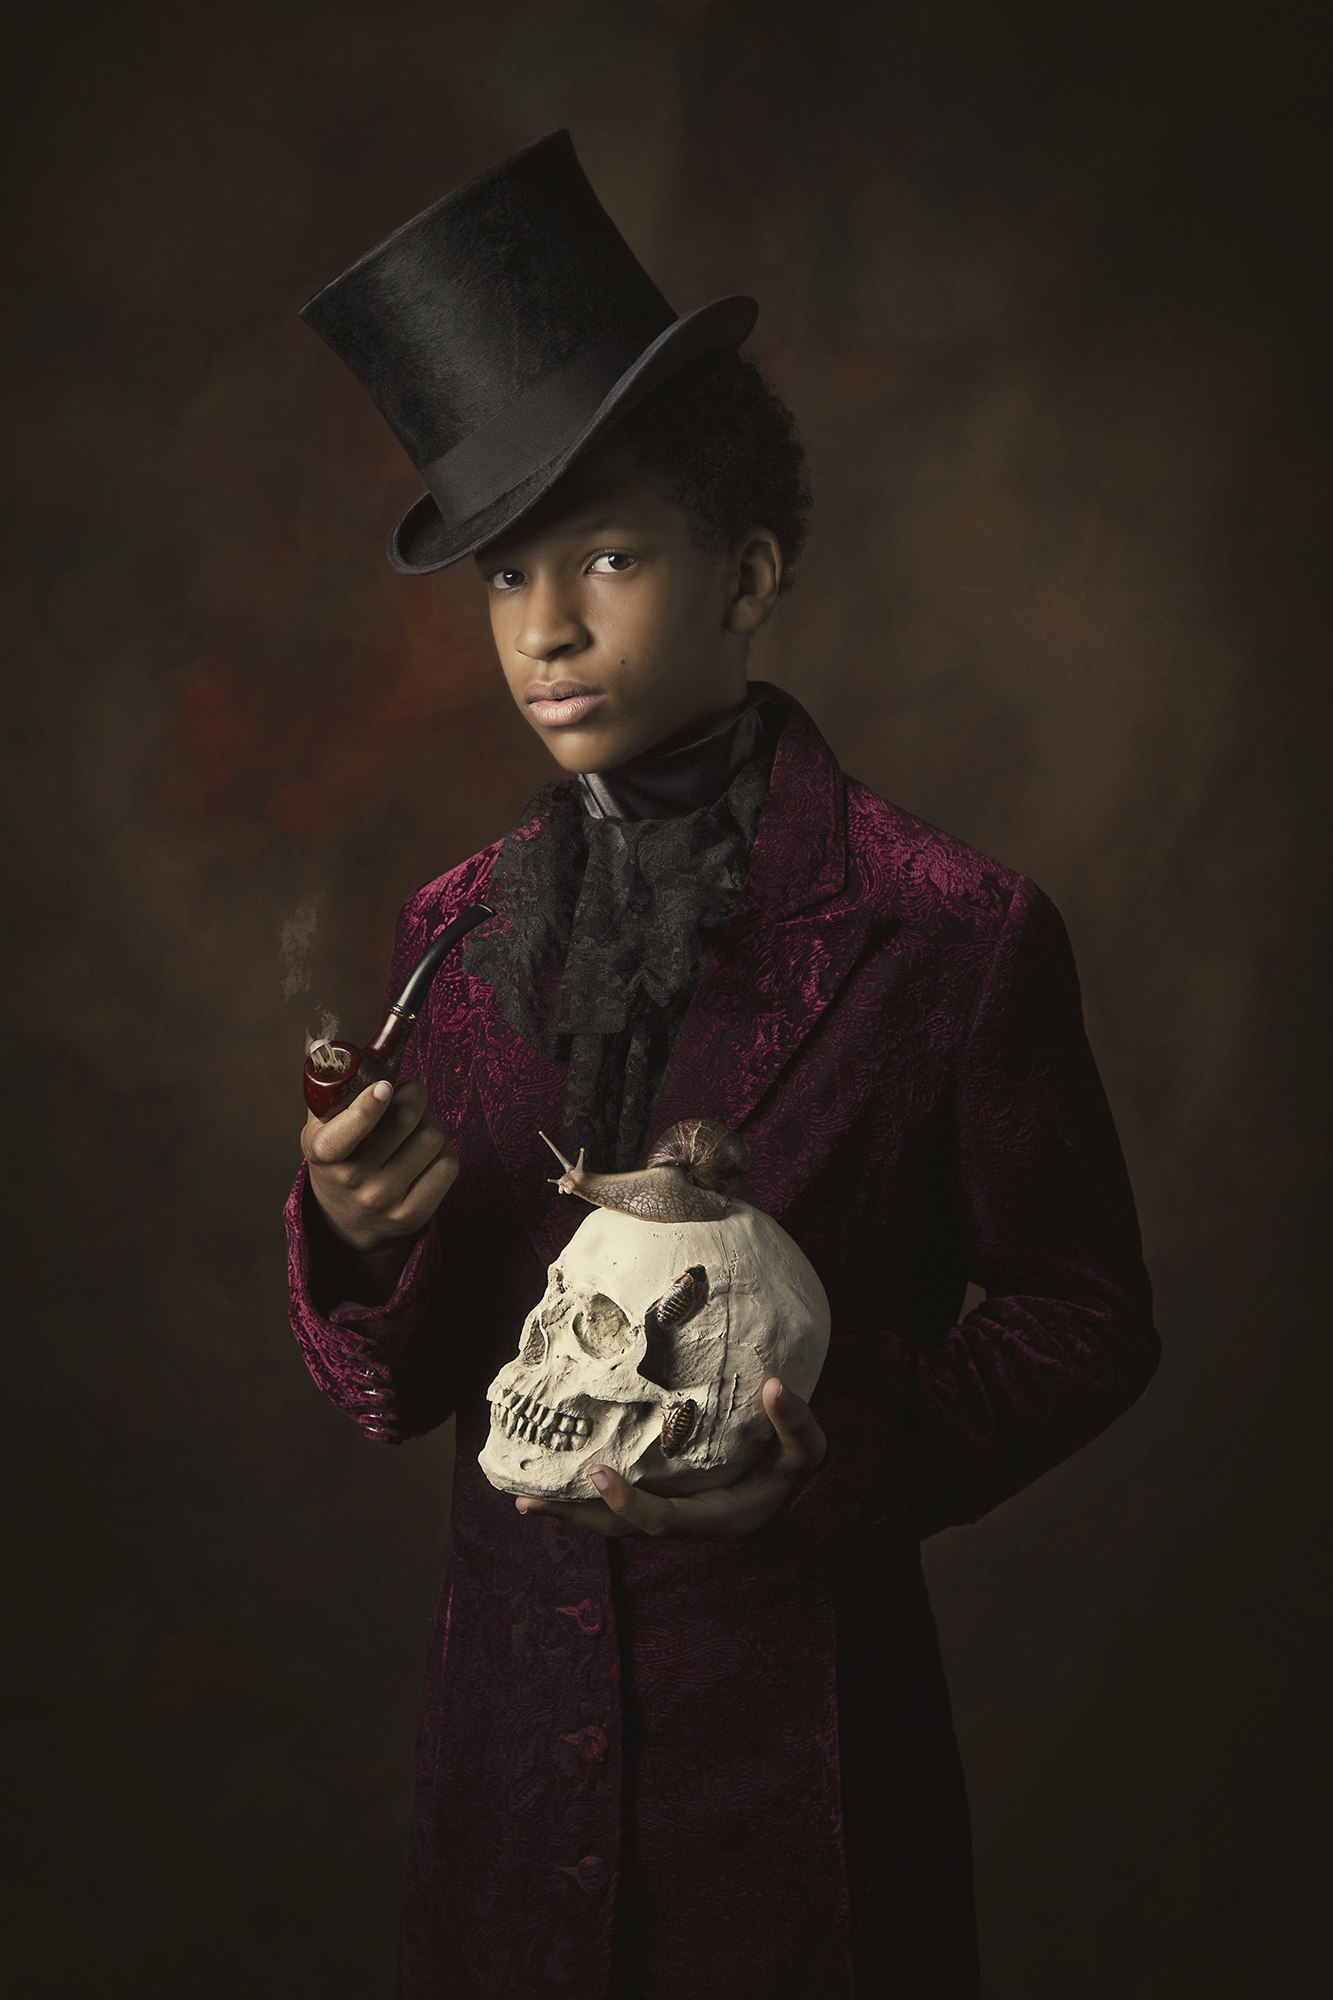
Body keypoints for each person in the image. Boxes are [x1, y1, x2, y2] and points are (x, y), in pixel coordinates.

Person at [285, 131, 1158, 2000]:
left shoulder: (950, 932)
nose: (546, 631)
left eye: (607, 556)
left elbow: (1084, 1320)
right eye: (505, 577)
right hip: (501, 1800)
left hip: (799, 1795)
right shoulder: (450, 932)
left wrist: (842, 1450)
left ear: (747, 570)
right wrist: (355, 1240)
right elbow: (400, 1386)